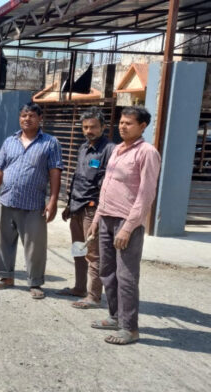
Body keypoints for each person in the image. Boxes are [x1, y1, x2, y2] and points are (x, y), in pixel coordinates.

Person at [88, 106, 161, 345]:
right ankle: (115, 316)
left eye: (129, 123)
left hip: (126, 221)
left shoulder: (147, 152)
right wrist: (97, 218)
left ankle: (130, 328)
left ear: (142, 126)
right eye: (121, 122)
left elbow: (146, 194)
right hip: (107, 217)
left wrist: (128, 227)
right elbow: (106, 187)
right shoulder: (117, 150)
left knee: (126, 276)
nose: (123, 126)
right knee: (107, 272)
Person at [0, 102, 63, 299]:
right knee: (1, 241)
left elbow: (55, 173)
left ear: (40, 119)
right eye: (23, 115)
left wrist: (52, 200)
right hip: (7, 200)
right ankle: (5, 277)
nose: (27, 119)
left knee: (35, 246)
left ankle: (35, 282)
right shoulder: (9, 141)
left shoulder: (50, 143)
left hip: (33, 204)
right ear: (19, 118)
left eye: (31, 116)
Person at [57, 108, 115, 309]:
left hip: (92, 209)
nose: (89, 130)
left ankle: (93, 296)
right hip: (77, 207)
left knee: (93, 254)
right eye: (85, 127)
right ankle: (79, 287)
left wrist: (99, 213)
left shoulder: (109, 150)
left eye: (93, 127)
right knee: (78, 249)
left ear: (103, 127)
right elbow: (78, 177)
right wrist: (69, 204)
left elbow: (107, 183)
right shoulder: (84, 148)